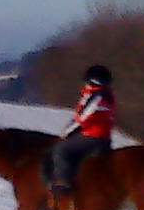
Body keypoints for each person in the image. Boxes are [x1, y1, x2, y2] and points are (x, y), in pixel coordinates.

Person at [45, 64, 117, 200]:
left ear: (92, 81)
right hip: (103, 137)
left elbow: (82, 119)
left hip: (92, 136)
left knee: (61, 149)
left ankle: (62, 183)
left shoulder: (96, 97)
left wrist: (65, 134)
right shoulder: (109, 96)